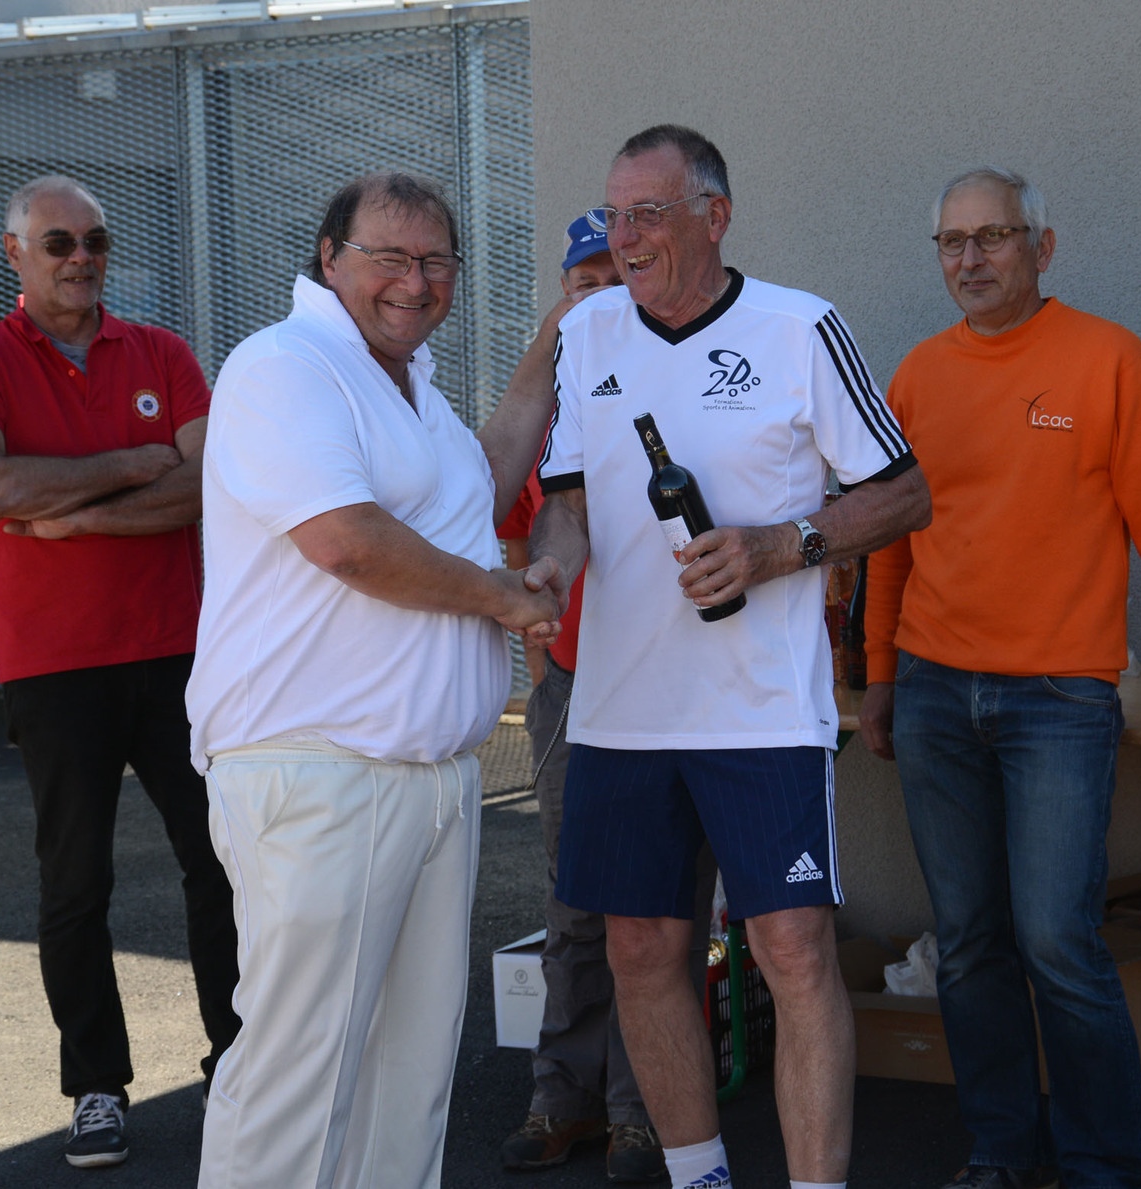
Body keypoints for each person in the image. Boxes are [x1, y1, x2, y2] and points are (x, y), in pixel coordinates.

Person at [527, 125, 931, 1189]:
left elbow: (903, 493)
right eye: (614, 215)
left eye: (648, 214)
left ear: (715, 215)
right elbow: (566, 503)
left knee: (792, 950)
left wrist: (777, 547)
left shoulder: (800, 327)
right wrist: (549, 569)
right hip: (619, 713)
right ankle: (699, 1177)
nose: (625, 237)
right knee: (639, 952)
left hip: (761, 713)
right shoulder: (588, 331)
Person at [858, 166, 1141, 1189]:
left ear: (1043, 245)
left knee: (1057, 941)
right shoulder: (918, 375)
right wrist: (880, 674)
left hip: (1060, 700)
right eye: (952, 242)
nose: (971, 259)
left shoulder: (1109, 361)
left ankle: (1101, 1163)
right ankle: (999, 1150)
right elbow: (889, 543)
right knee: (969, 940)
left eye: (993, 236)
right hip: (934, 691)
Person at [184, 171, 564, 1189]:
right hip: (324, 776)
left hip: (431, 780)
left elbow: (479, 478)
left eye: (436, 260)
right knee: (298, 1081)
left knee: (409, 1084)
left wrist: (556, 335)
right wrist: (500, 597)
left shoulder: (410, 387)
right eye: (388, 256)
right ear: (329, 258)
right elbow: (347, 542)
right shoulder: (286, 365)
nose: (415, 280)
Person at [0, 175, 241, 1169]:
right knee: (76, 884)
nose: (82, 257)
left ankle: (239, 1062)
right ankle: (97, 1086)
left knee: (224, 863)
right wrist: (132, 461)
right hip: (55, 666)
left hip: (179, 652)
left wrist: (74, 516)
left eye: (95, 240)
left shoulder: (162, 352)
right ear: (15, 253)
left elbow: (211, 484)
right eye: (59, 242)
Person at [500, 215, 711, 1184]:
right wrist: (544, 662)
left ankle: (642, 1111)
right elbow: (514, 533)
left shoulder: (683, 381)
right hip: (576, 683)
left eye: (612, 278)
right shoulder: (552, 407)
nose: (596, 295)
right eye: (580, 282)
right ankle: (563, 1095)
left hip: (676, 682)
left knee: (661, 908)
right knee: (576, 900)